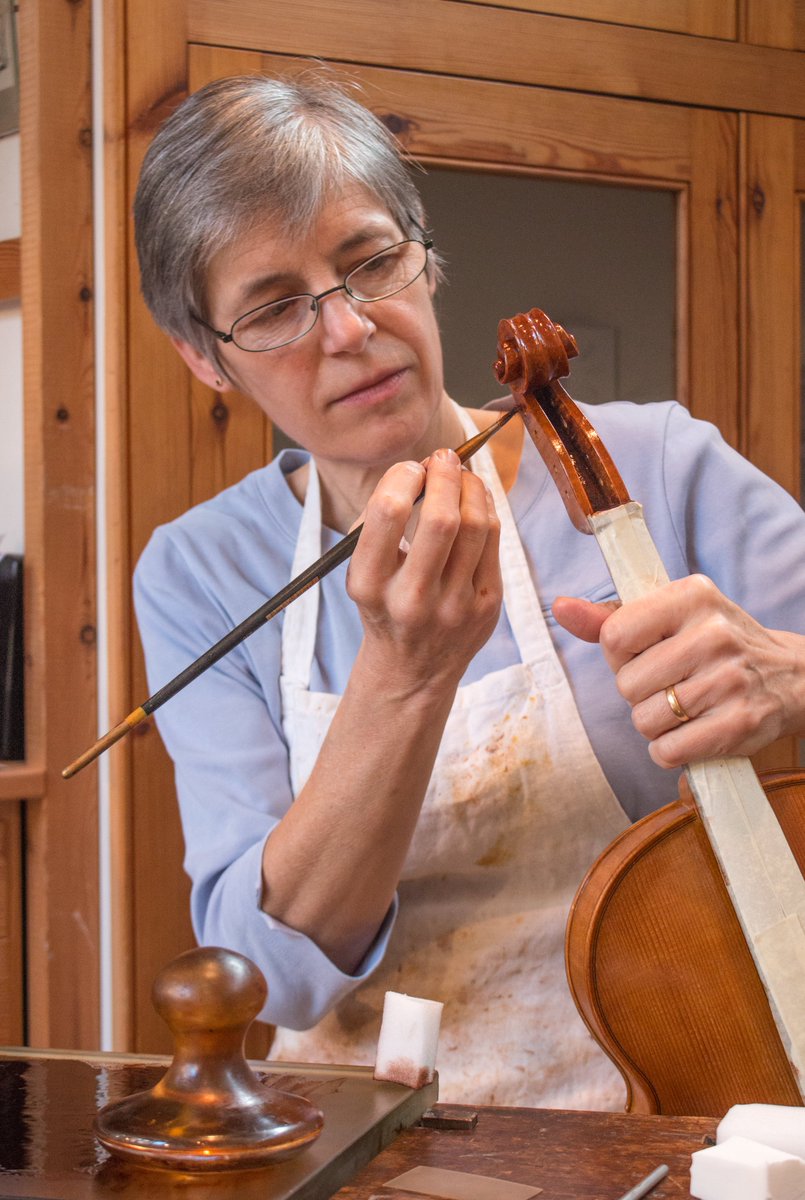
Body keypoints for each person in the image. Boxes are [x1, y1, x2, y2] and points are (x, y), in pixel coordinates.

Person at [132, 72, 805, 1110]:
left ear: (425, 254)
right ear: (204, 359)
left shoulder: (661, 468)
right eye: (273, 309)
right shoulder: (199, 572)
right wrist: (403, 678)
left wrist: (790, 676)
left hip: (684, 1106)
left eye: (370, 263)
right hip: (362, 1144)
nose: (351, 330)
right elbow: (279, 978)